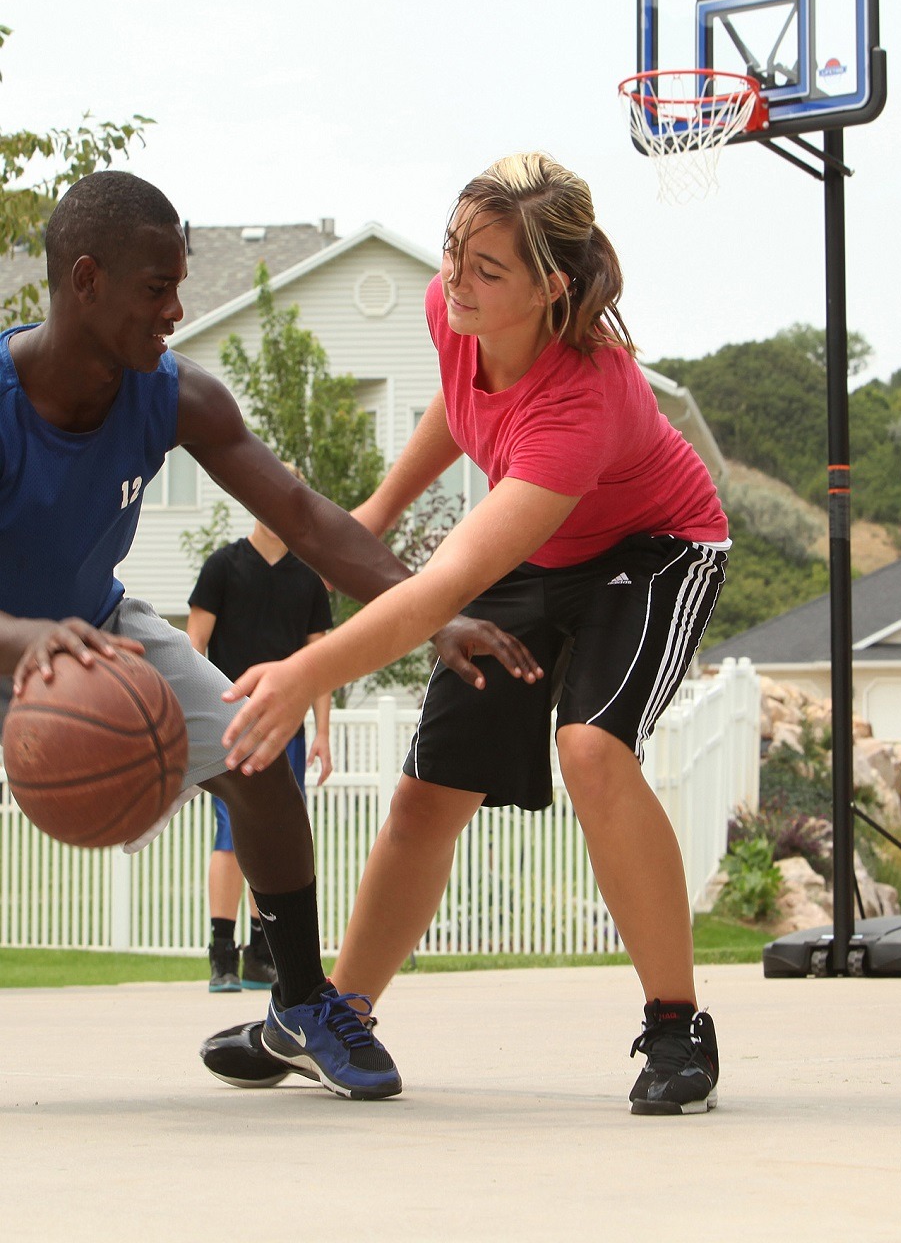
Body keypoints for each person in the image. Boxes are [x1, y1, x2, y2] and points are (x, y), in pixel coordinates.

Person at [202, 152, 730, 1115]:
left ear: (551, 286)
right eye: (454, 254)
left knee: (592, 748)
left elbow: (442, 588)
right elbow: (462, 401)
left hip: (652, 551)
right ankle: (335, 1016)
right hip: (546, 543)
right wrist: (375, 512)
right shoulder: (454, 315)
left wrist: (303, 672)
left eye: (489, 269)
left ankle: (675, 1026)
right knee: (423, 797)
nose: (458, 280)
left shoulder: (587, 397)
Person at [0, 170, 526, 1099]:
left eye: (181, 282)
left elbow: (308, 518)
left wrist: (429, 611)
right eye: (155, 288)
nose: (176, 309)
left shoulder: (174, 396)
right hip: (20, 637)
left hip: (96, 626)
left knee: (254, 752)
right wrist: (28, 642)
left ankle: (302, 1003)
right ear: (85, 281)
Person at [188, 483, 334, 993]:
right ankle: (221, 955)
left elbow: (319, 663)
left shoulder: (308, 580)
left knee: (276, 835)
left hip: (286, 729)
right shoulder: (223, 567)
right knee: (231, 834)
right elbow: (193, 645)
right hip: (230, 725)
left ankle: (259, 955)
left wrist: (323, 733)